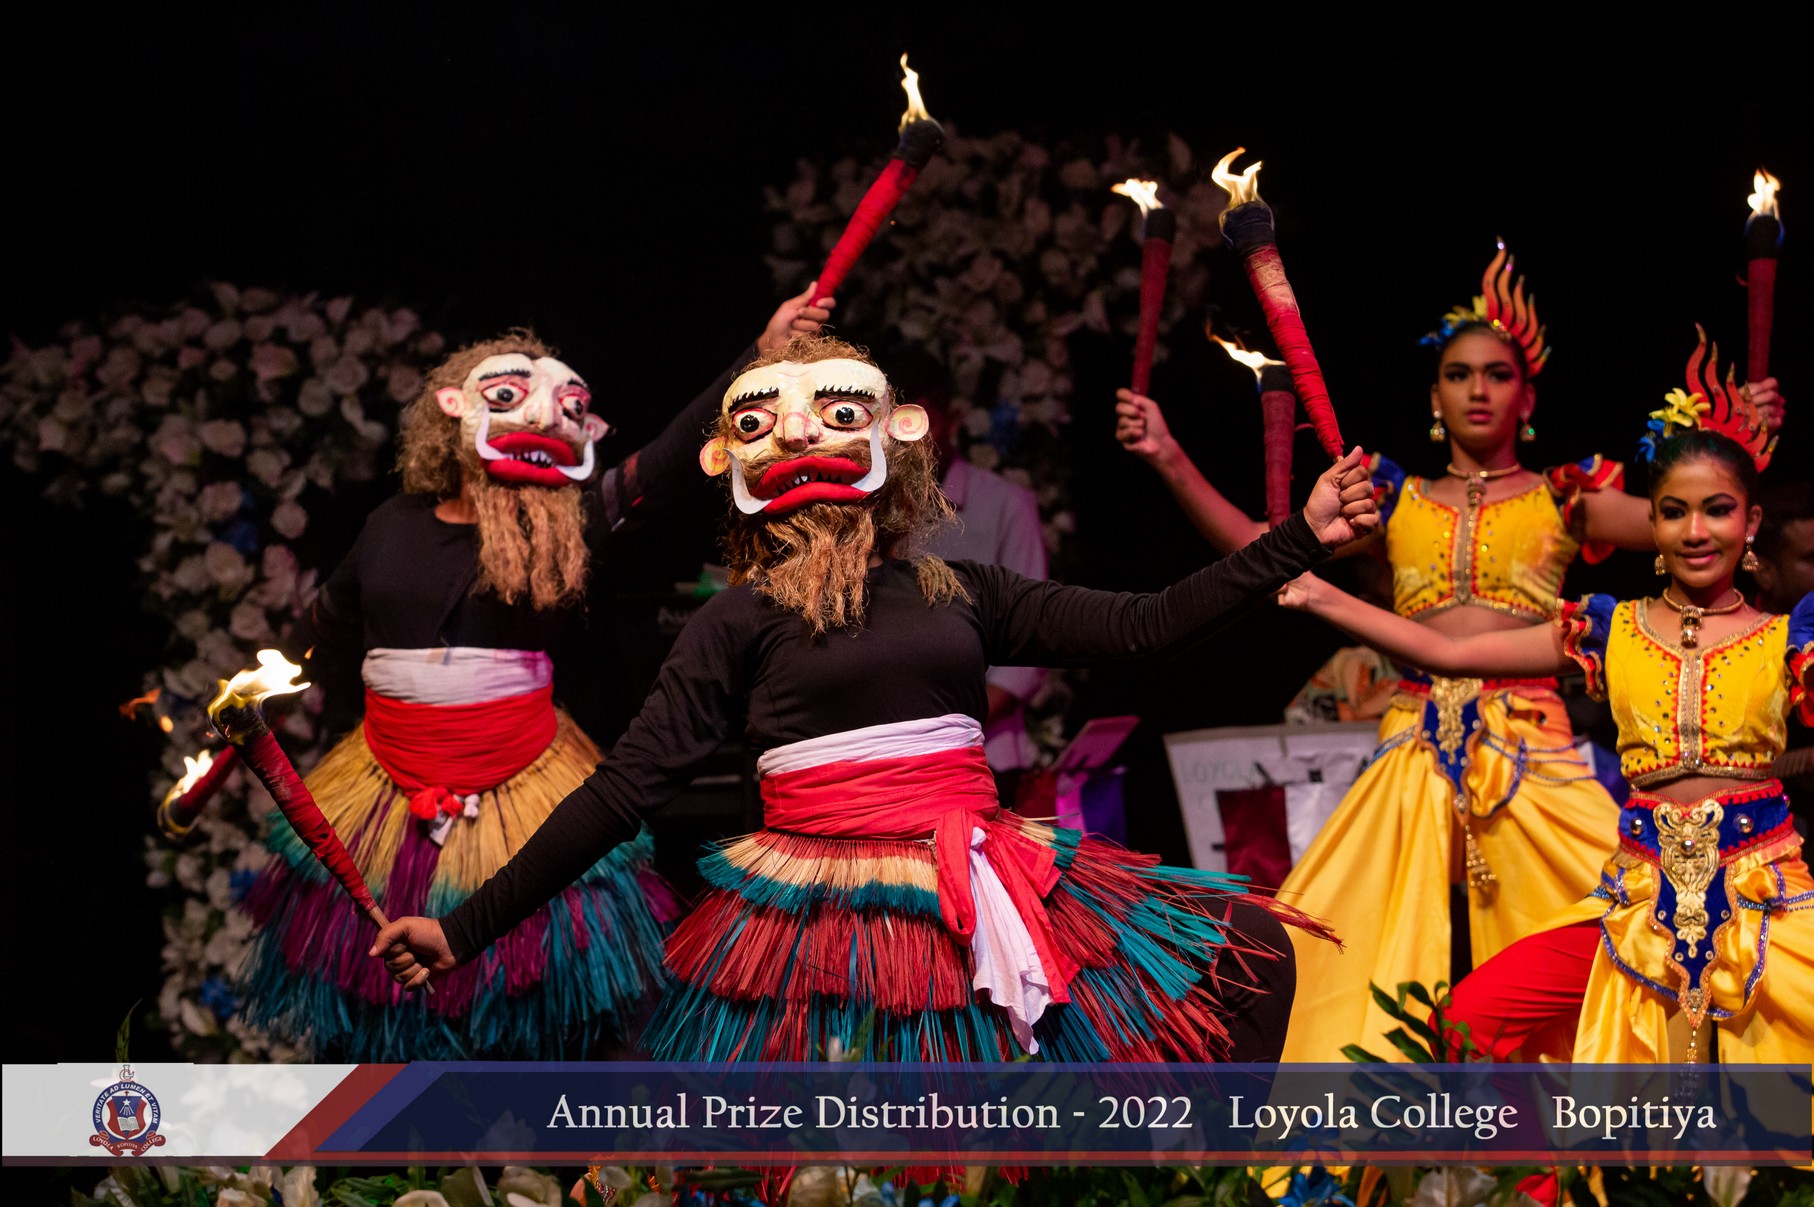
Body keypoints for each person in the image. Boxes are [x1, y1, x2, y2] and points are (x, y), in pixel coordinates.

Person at [369, 334, 1379, 1067]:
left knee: (1251, 953)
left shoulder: (960, 589)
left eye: (839, 414)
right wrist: (464, 927)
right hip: (824, 919)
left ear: (896, 440)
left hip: (976, 883)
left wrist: (1300, 536)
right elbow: (622, 790)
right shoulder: (736, 619)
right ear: (734, 462)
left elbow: (1145, 624)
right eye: (763, 423)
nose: (802, 433)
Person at [227, 289, 832, 1060]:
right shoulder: (390, 527)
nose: (540, 419)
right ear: (454, 411)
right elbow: (318, 628)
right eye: (511, 399)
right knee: (383, 1008)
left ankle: (532, 1131)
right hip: (386, 784)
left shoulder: (562, 525)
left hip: (520, 779)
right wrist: (244, 706)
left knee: (535, 1008)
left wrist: (761, 352)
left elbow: (667, 460)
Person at [1117, 246, 1672, 1062]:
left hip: (1531, 744)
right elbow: (1262, 549)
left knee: (1626, 913)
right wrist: (1169, 456)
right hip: (1412, 738)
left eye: (1498, 374)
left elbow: (1690, 523)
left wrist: (1741, 449)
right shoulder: (1395, 499)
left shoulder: (1565, 497)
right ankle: (1349, 1121)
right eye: (1458, 374)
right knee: (1332, 931)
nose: (1478, 389)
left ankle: (1594, 1117)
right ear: (1434, 398)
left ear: (1526, 397)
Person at [1281, 356, 1810, 1064]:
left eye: (1717, 510)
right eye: (1673, 512)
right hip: (1636, 908)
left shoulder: (1786, 637)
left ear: (1751, 522)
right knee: (1465, 1023)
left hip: (1766, 899)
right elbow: (1452, 653)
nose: (1695, 531)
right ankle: (1537, 1147)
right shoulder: (1609, 630)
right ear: (1652, 524)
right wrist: (1318, 594)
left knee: (1770, 1097)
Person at [891, 348, 1050, 790]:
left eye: (920, 423)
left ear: (953, 419)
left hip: (986, 757)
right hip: (894, 760)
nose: (906, 441)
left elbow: (1030, 643)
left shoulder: (1006, 504)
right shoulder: (872, 510)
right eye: (893, 426)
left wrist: (940, 730)